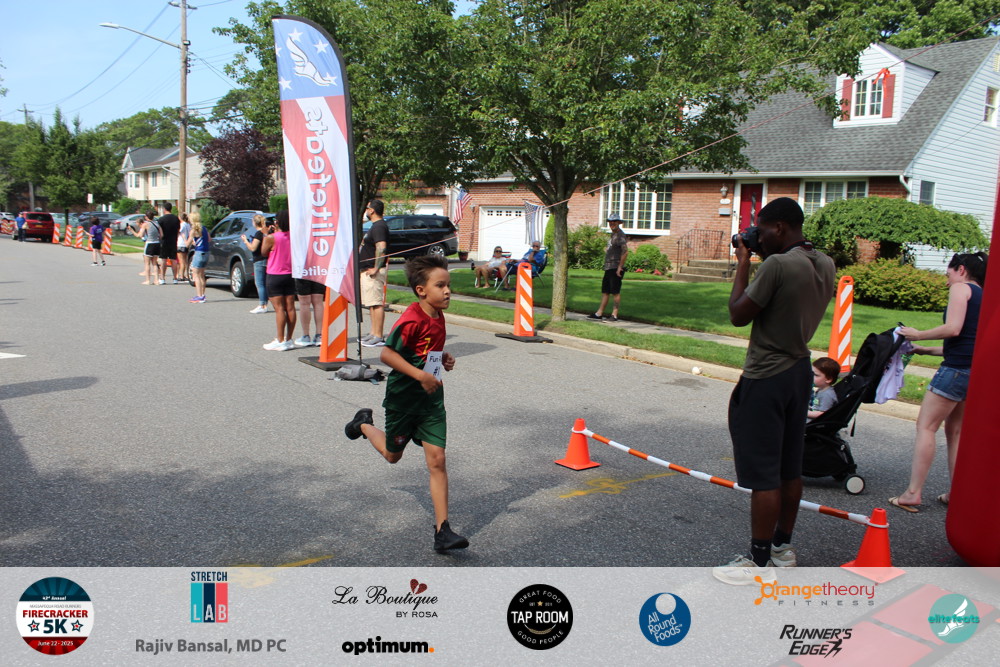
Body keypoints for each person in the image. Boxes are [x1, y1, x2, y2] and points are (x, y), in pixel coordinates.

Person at [712, 197, 835, 585]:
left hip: (767, 375)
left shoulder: (778, 266)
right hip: (799, 371)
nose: (758, 236)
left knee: (764, 474)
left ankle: (758, 560)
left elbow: (738, 314)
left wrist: (744, 261)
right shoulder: (824, 263)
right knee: (789, 468)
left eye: (762, 229)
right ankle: (782, 548)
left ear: (779, 227)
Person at [344, 255, 469, 553]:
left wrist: (442, 359)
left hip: (431, 401)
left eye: (448, 285)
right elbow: (387, 355)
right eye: (440, 285)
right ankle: (363, 425)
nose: (447, 291)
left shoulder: (438, 315)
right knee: (392, 455)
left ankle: (443, 531)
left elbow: (427, 351)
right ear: (421, 290)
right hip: (403, 400)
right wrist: (420, 375)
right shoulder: (411, 320)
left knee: (437, 460)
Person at [890, 252, 988, 512]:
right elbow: (966, 342)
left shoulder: (961, 289)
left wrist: (918, 334)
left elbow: (953, 328)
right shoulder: (983, 295)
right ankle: (957, 493)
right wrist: (925, 350)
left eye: (948, 274)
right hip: (972, 372)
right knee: (955, 433)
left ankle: (913, 493)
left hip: (954, 371)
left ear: (961, 269)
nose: (947, 281)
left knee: (926, 427)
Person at [261, 210, 297, 350]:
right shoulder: (294, 236)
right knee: (290, 307)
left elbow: (263, 252)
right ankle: (289, 339)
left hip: (275, 274)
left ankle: (280, 340)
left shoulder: (271, 238)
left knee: (279, 308)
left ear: (277, 222)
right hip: (290, 273)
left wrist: (266, 234)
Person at [587, 213, 629, 322]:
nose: (612, 223)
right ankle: (599, 313)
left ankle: (614, 315)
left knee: (615, 291)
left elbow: (625, 252)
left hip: (615, 267)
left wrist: (620, 267)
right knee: (605, 291)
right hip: (609, 267)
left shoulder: (620, 235)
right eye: (610, 222)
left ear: (618, 222)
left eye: (614, 221)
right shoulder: (613, 235)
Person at [358, 199, 389, 347]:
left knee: (376, 303)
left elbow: (381, 247)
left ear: (372, 210)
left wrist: (376, 267)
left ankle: (378, 335)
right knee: (371, 303)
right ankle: (373, 332)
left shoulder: (379, 226)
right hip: (367, 270)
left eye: (367, 208)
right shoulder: (375, 226)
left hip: (373, 272)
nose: (366, 211)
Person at [242, 214, 269, 314]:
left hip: (259, 260)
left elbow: (253, 248)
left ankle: (262, 305)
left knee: (259, 283)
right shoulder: (266, 232)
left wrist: (245, 241)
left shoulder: (259, 234)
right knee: (264, 283)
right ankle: (265, 304)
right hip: (267, 259)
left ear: (255, 222)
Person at [185, 212, 211, 303]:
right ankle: (202, 294)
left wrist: (185, 238)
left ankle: (199, 296)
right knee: (202, 275)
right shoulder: (204, 228)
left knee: (195, 274)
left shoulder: (193, 230)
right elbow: (209, 239)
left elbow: (187, 244)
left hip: (199, 252)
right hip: (206, 252)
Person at [294, 277, 325, 347]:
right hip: (318, 272)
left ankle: (306, 336)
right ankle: (319, 335)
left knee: (304, 303)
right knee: (318, 302)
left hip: (302, 273)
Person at [807, 357, 840, 421]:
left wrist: (805, 413)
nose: (811, 376)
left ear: (828, 379)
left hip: (813, 422)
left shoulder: (827, 395)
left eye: (816, 375)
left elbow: (822, 414)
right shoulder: (822, 389)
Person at [132, 210, 159, 285]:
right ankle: (156, 280)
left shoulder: (145, 224)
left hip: (149, 243)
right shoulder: (157, 224)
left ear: (146, 217)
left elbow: (140, 235)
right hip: (157, 243)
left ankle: (147, 280)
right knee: (155, 263)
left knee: (147, 263)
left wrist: (132, 231)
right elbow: (161, 234)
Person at [157, 203, 181, 285]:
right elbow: (178, 230)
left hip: (164, 241)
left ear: (164, 209)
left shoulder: (161, 219)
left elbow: (159, 231)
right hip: (173, 241)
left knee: (163, 259)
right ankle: (175, 278)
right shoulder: (176, 219)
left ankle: (162, 278)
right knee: (173, 259)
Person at [176, 212, 192, 284]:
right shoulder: (188, 225)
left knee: (181, 261)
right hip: (186, 244)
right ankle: (186, 275)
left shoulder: (182, 225)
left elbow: (179, 232)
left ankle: (181, 276)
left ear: (180, 218)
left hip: (181, 243)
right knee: (185, 261)